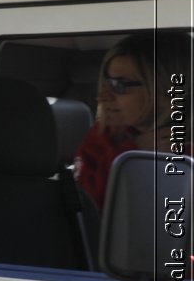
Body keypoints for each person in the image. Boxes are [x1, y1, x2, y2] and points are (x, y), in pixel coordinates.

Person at [73, 31, 192, 208]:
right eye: (106, 83)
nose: (103, 96)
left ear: (163, 88)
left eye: (120, 85)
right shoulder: (103, 137)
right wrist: (129, 154)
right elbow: (83, 214)